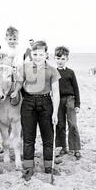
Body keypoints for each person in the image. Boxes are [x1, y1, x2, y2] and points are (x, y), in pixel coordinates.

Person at [11, 40, 61, 181]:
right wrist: (15, 91)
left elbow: (56, 93)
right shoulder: (24, 67)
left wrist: (55, 112)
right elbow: (20, 82)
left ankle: (48, 167)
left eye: (40, 54)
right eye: (35, 54)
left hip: (46, 103)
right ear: (31, 54)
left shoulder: (52, 70)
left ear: (46, 54)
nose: (37, 56)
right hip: (28, 103)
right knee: (28, 137)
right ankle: (28, 168)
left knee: (48, 137)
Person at [54, 46, 82, 160]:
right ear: (55, 58)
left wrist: (77, 104)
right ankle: (62, 147)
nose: (60, 61)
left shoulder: (70, 72)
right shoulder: (53, 72)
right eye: (58, 58)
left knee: (73, 124)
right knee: (60, 124)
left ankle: (75, 148)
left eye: (63, 59)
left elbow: (76, 88)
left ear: (67, 59)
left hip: (70, 99)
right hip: (57, 100)